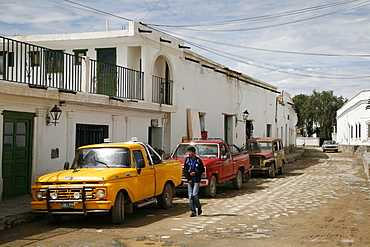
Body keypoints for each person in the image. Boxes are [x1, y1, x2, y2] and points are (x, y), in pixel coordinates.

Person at [184, 146, 205, 217]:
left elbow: (202, 169)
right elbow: (185, 170)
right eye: (188, 152)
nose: (189, 153)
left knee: (194, 194)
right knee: (190, 196)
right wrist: (188, 179)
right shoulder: (187, 160)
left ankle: (199, 207)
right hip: (190, 180)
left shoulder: (198, 160)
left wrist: (196, 173)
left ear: (194, 152)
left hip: (196, 180)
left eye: (190, 152)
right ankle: (193, 211)